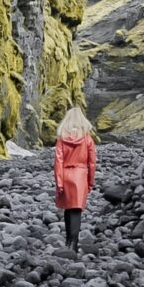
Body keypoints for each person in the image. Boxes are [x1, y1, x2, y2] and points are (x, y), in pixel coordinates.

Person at [53, 106, 96, 253]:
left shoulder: (62, 138)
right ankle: (74, 244)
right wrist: (90, 181)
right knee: (76, 210)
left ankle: (67, 241)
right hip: (80, 175)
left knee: (67, 208)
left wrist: (59, 182)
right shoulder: (87, 139)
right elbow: (92, 162)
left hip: (66, 175)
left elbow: (58, 162)